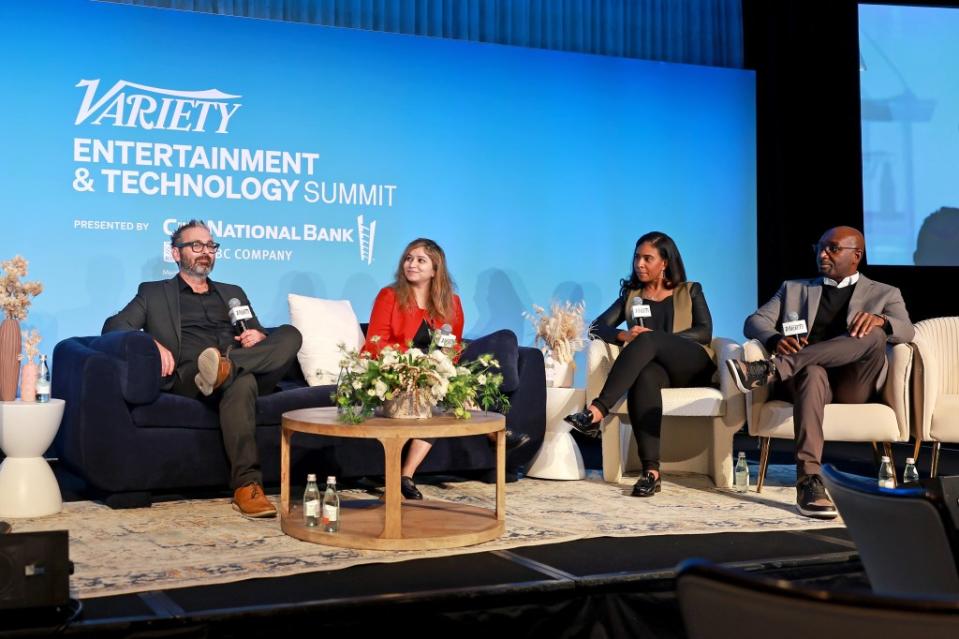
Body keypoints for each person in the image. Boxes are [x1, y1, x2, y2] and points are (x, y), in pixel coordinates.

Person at [103, 220, 302, 519]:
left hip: (238, 363)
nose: (205, 252)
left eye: (210, 246)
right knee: (242, 384)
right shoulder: (154, 293)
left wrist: (258, 337)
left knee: (290, 334)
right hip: (194, 376)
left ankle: (227, 368)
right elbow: (113, 327)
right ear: (175, 253)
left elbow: (259, 334)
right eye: (196, 246)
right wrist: (149, 341)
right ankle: (247, 485)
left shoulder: (232, 292)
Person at [726, 226, 914, 519]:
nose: (822, 254)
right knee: (813, 371)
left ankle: (770, 369)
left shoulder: (884, 293)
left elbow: (907, 329)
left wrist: (881, 320)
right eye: (820, 247)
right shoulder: (794, 289)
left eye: (833, 248)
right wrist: (775, 340)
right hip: (809, 381)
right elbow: (754, 321)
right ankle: (809, 481)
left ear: (856, 256)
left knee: (875, 334)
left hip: (854, 383)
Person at [363, 238, 529, 499]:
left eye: (420, 260)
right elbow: (375, 343)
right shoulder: (390, 296)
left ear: (435, 269)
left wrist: (436, 372)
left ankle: (405, 476)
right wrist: (409, 368)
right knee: (441, 396)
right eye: (408, 258)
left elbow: (450, 351)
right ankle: (495, 433)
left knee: (442, 392)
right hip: (393, 371)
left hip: (431, 376)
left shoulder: (451, 303)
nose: (412, 264)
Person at [564, 232, 716, 497]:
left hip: (692, 363)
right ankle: (651, 472)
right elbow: (596, 327)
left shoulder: (690, 290)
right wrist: (624, 335)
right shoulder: (632, 295)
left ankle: (598, 410)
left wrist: (660, 340)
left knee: (648, 341)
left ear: (665, 262)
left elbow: (704, 332)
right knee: (644, 376)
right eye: (637, 257)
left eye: (648, 258)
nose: (639, 264)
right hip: (659, 372)